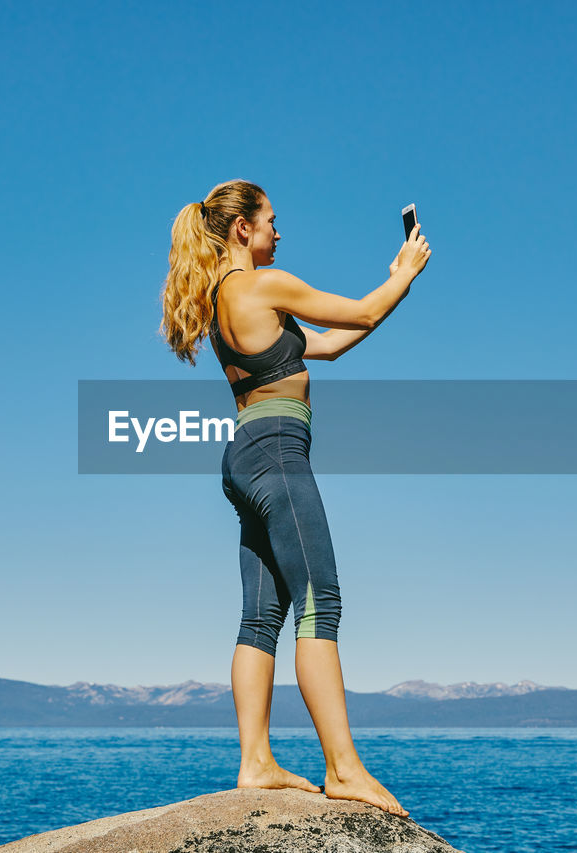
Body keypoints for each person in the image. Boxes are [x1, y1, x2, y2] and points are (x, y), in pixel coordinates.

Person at [159, 179, 430, 817]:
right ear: (242, 229)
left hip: (243, 460)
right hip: (279, 455)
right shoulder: (263, 286)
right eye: (272, 221)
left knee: (261, 618)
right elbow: (360, 313)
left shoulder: (224, 301)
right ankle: (344, 769)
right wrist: (407, 273)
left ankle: (255, 762)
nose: (280, 232)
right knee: (321, 604)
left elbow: (331, 344)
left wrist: (390, 283)